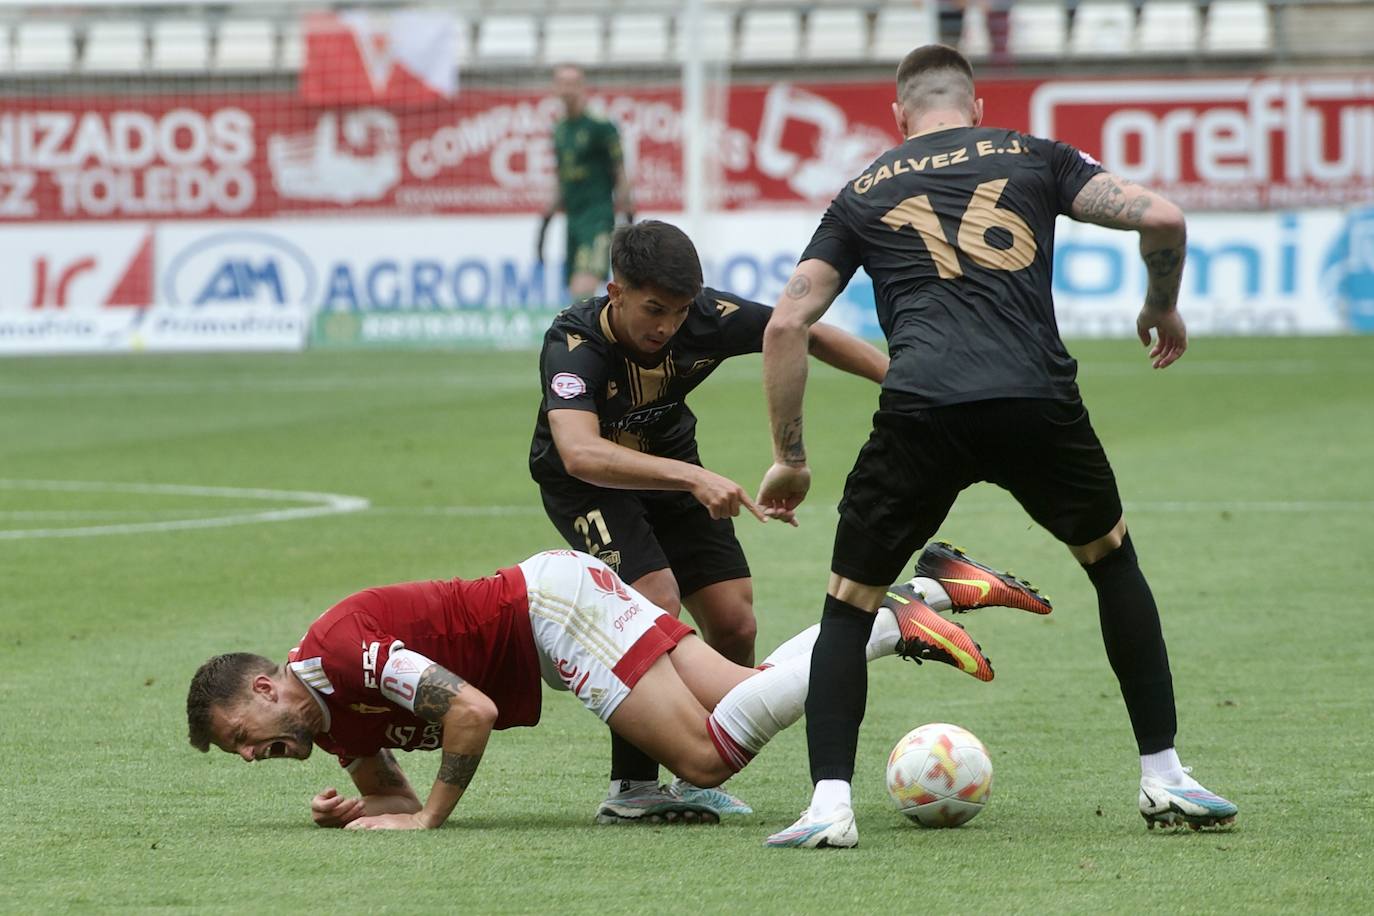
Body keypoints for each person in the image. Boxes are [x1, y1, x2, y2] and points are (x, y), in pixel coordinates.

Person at [755, 44, 1238, 848]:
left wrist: (791, 458)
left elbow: (784, 324)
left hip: (921, 411)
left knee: (849, 605)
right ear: (976, 107)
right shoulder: (1035, 154)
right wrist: (1162, 305)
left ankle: (829, 808)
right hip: (1035, 402)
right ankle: (1165, 778)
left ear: (898, 116)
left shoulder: (863, 190)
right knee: (1111, 562)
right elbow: (1163, 217)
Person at [185, 545, 1045, 830]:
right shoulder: (331, 716)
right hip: (561, 597)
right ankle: (935, 587)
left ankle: (890, 625)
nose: (254, 756)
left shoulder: (340, 653)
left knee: (706, 761)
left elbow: (471, 715)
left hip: (553, 615)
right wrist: (366, 810)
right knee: (751, 687)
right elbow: (392, 791)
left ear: (264, 687)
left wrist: (427, 822)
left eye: (241, 737)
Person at [530, 219, 889, 823]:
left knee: (734, 620)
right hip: (590, 487)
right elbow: (580, 453)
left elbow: (799, 330)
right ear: (616, 293)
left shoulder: (704, 318)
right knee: (652, 599)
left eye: (679, 310)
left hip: (671, 470)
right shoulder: (574, 344)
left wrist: (899, 381)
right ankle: (632, 788)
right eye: (654, 310)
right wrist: (695, 478)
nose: (668, 326)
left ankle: (691, 780)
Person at [537, 64, 634, 301]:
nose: (567, 90)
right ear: (555, 89)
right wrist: (545, 221)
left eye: (572, 84)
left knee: (582, 289)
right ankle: (592, 335)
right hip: (573, 219)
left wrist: (629, 219)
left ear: (583, 88)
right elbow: (562, 177)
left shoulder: (601, 126)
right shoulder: (559, 129)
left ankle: (589, 337)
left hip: (598, 217)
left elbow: (621, 173)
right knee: (574, 291)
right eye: (562, 84)